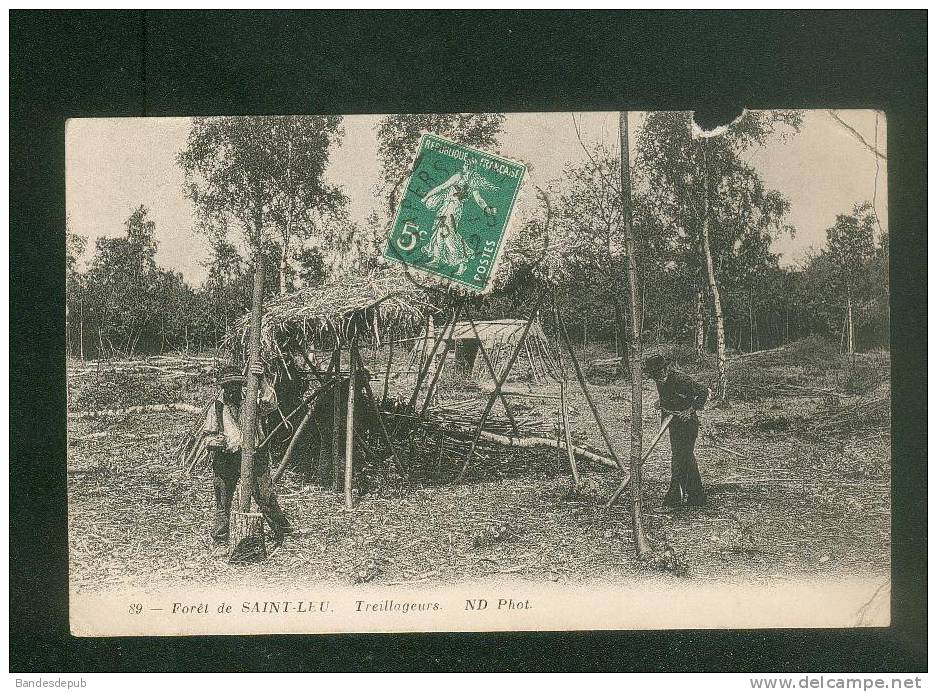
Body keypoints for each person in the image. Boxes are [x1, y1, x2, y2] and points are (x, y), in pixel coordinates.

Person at [203, 363, 292, 550]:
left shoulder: (251, 399)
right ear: (223, 387)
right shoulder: (217, 407)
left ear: (241, 384)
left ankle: (282, 531)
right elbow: (208, 438)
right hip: (226, 458)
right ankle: (220, 539)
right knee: (223, 501)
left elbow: (271, 403)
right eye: (229, 385)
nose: (233, 389)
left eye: (236, 384)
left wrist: (262, 381)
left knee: (265, 497)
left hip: (253, 455)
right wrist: (215, 442)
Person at [644, 354, 710, 509]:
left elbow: (703, 392)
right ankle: (697, 496)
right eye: (653, 375)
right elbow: (669, 397)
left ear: (666, 368)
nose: (656, 377)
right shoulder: (660, 380)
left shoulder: (681, 379)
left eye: (658, 373)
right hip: (673, 424)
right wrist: (661, 402)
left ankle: (673, 501)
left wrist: (691, 409)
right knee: (686, 458)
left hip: (688, 424)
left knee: (679, 460)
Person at [421, 159, 498, 276]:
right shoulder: (463, 178)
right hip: (449, 206)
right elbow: (443, 187)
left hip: (453, 208)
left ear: (471, 167)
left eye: (467, 164)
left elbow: (478, 199)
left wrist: (487, 208)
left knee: (448, 233)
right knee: (440, 231)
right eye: (465, 164)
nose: (464, 166)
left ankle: (461, 262)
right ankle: (436, 259)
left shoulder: (464, 179)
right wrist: (428, 196)